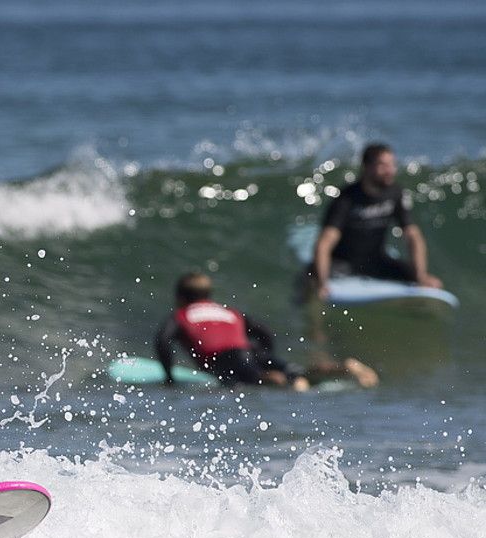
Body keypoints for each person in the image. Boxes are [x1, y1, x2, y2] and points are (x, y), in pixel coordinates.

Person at [157, 272, 378, 389]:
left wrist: (169, 377)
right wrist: (265, 353)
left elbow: (163, 341)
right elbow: (262, 330)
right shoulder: (229, 312)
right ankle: (343, 367)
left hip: (226, 360)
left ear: (180, 297)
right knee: (299, 371)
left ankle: (284, 382)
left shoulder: (181, 315)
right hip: (251, 351)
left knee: (260, 380)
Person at [303, 143, 442, 302]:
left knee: (427, 281)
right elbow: (324, 243)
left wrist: (420, 275)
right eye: (383, 165)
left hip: (375, 260)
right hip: (343, 264)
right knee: (311, 277)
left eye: (392, 164)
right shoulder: (346, 199)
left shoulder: (395, 193)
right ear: (367, 167)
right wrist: (322, 283)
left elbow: (413, 236)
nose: (390, 170)